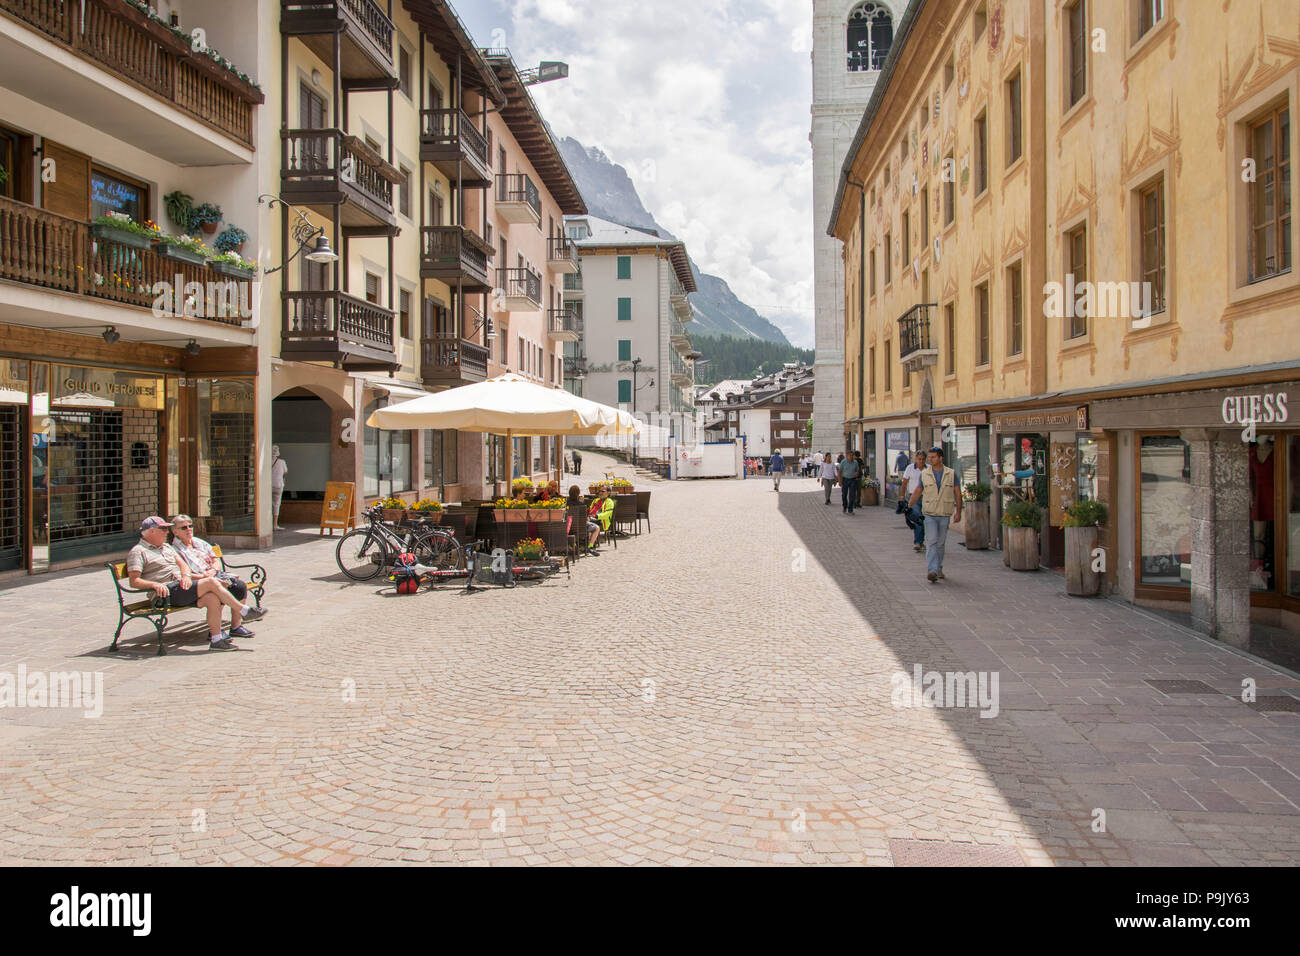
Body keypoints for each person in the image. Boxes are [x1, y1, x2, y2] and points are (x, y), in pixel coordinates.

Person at [125, 517, 258, 649]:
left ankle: (216, 640)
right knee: (211, 582)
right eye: (163, 529)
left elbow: (182, 564)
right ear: (151, 531)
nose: (167, 532)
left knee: (212, 597)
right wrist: (154, 585)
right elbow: (134, 581)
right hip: (165, 593)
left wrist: (186, 576)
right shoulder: (138, 552)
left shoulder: (165, 547)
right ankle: (244, 611)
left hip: (181, 586)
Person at [170, 514, 266, 617]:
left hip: (214, 575)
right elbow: (181, 574)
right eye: (184, 527)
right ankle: (219, 629)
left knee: (240, 586)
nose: (189, 529)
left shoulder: (200, 542)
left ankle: (236, 626)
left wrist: (214, 570)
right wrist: (205, 576)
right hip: (200, 582)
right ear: (175, 532)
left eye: (190, 526)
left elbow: (217, 560)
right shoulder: (174, 550)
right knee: (218, 592)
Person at [908, 446, 963, 584]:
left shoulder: (951, 474)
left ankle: (938, 568)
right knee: (931, 541)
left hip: (944, 513)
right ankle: (932, 570)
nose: (930, 460)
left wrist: (958, 512)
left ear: (940, 458)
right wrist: (908, 506)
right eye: (930, 457)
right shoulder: (925, 474)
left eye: (933, 457)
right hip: (929, 513)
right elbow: (918, 491)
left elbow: (957, 493)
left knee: (940, 543)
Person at [902, 450, 927, 552]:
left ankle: (920, 541)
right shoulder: (910, 468)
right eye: (919, 459)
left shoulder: (929, 469)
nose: (921, 461)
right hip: (914, 498)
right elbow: (904, 483)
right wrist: (901, 497)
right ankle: (917, 542)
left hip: (926, 498)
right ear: (916, 459)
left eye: (923, 459)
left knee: (924, 520)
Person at [586, 486, 614, 555]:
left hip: (602, 520)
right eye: (599, 491)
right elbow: (590, 509)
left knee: (589, 523)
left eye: (603, 491)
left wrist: (596, 516)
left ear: (608, 493)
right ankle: (586, 544)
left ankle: (591, 546)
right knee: (582, 521)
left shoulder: (609, 502)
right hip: (591, 518)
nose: (600, 493)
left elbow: (607, 514)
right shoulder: (596, 500)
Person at [838, 449, 861, 514]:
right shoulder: (843, 462)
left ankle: (850, 509)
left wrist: (856, 473)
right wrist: (840, 481)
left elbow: (857, 470)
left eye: (852, 455)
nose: (851, 457)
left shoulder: (855, 462)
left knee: (852, 495)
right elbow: (839, 472)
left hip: (852, 480)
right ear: (847, 456)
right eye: (850, 455)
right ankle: (845, 506)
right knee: (844, 494)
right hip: (845, 479)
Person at [271, 445, 288, 531]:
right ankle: (275, 524)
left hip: (268, 486)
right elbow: (286, 471)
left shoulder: (267, 461)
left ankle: (267, 523)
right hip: (278, 485)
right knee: (276, 505)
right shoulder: (282, 462)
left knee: (268, 504)